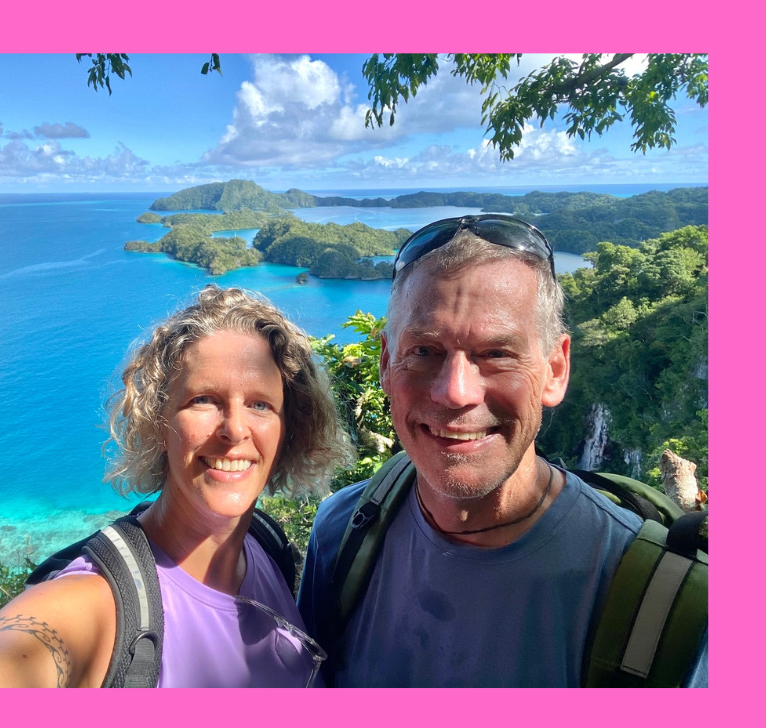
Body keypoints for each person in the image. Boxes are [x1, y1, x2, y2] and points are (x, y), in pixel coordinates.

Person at [297, 215, 706, 686]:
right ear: (388, 365)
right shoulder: (341, 537)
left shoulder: (670, 613)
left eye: (497, 354)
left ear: (555, 370)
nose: (455, 392)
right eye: (425, 351)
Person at [0, 286, 351, 687]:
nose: (235, 430)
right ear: (159, 424)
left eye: (260, 404)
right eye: (203, 400)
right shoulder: (102, 601)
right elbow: (15, 659)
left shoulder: (266, 547)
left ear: (287, 426)